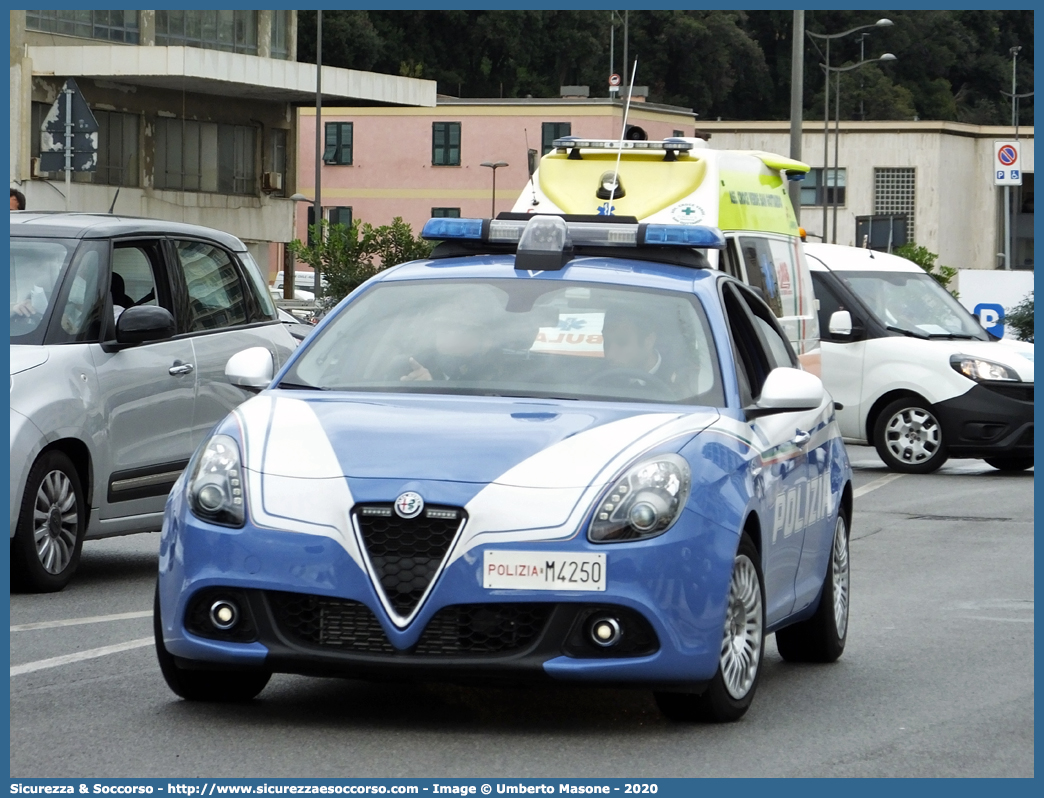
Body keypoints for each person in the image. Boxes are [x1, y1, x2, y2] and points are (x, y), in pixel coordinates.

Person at [600, 306, 697, 393]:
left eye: (622, 342)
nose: (609, 355)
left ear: (649, 341)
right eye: (606, 341)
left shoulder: (681, 384)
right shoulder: (597, 379)